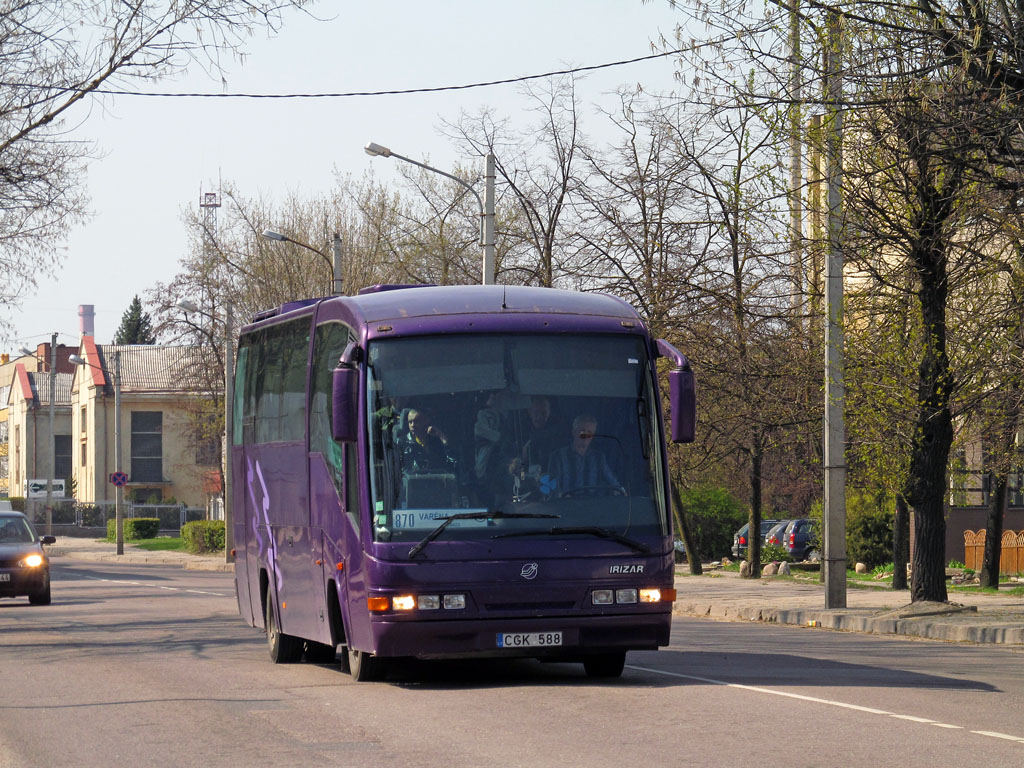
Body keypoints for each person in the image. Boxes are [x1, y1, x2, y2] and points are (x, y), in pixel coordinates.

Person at [547, 414, 622, 496]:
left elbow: (615, 486)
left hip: (593, 506)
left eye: (590, 432)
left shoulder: (599, 458)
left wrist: (621, 492)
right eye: (582, 431)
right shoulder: (558, 457)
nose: (586, 435)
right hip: (566, 506)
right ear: (574, 432)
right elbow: (553, 489)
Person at [396, 408, 454, 473]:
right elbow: (400, 471)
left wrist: (441, 436)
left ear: (426, 422)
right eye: (410, 422)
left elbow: (452, 464)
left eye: (417, 421)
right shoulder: (402, 443)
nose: (413, 425)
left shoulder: (437, 442)